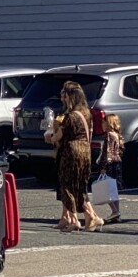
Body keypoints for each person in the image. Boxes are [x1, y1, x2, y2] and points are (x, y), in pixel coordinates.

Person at [46, 80, 103, 232]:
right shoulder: (87, 113)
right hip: (85, 151)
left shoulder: (70, 117)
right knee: (80, 187)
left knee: (67, 186)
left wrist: (49, 137)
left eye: (65, 96)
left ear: (71, 97)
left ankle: (78, 219)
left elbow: (57, 137)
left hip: (71, 152)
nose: (63, 99)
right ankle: (89, 218)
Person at [96, 113, 124, 223]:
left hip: (109, 164)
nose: (102, 124)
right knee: (114, 190)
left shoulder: (108, 135)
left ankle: (114, 211)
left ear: (108, 123)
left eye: (103, 122)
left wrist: (103, 166)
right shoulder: (118, 135)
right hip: (117, 163)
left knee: (106, 189)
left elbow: (107, 152)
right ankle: (117, 213)